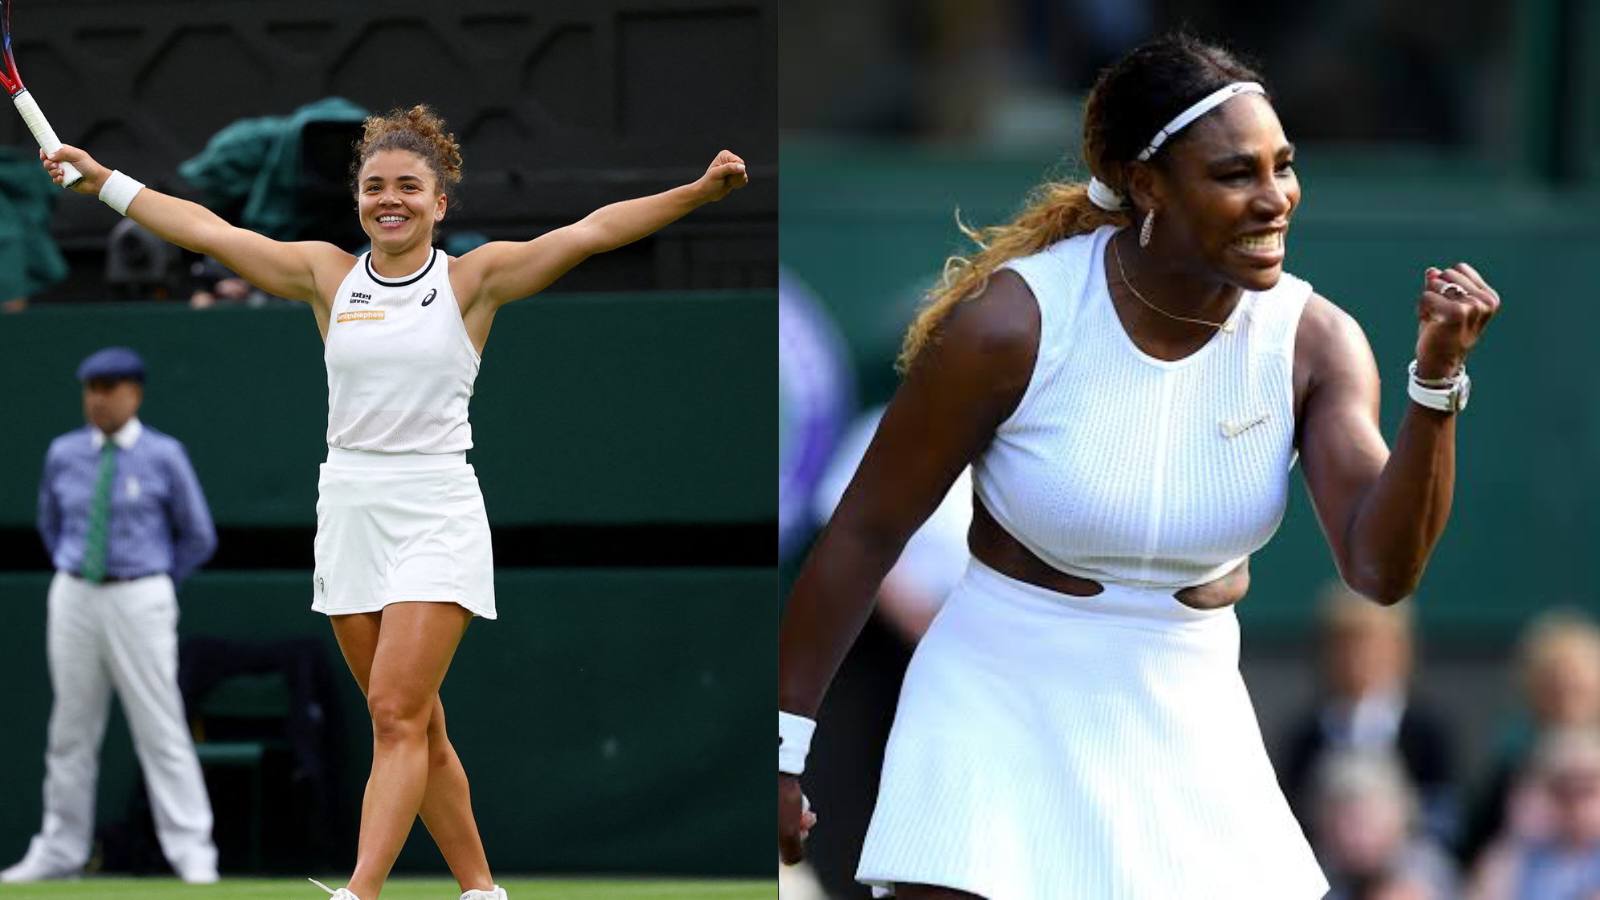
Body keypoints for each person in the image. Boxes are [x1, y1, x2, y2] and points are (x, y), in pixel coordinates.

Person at [777, 33, 1501, 900]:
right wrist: (785, 750)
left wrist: (1435, 385)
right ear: (1148, 185)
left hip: (1188, 709)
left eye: (1284, 166)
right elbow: (866, 531)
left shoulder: (1316, 341)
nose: (1276, 199)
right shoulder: (1013, 324)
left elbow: (1382, 569)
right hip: (996, 699)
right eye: (1237, 173)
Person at [40, 105, 747, 900]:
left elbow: (590, 231)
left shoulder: (474, 280)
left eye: (409, 186)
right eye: (375, 186)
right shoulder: (324, 275)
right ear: (358, 200)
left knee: (393, 710)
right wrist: (105, 184)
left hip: (437, 505)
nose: (391, 199)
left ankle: (361, 890)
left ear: (439, 203)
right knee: (417, 725)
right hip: (348, 506)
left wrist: (695, 194)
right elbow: (206, 232)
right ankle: (481, 890)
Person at [3, 347, 219, 885]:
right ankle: (59, 848)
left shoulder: (165, 455)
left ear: (134, 393)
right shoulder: (62, 453)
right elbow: (50, 523)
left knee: (161, 725)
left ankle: (193, 852)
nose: (98, 399)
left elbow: (197, 535)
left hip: (141, 594)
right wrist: (76, 569)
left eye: (109, 387)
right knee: (69, 728)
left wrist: (155, 582)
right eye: (91, 388)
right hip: (74, 592)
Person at [1280, 583, 1457, 845]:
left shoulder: (1426, 733)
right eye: (1344, 647)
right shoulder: (1304, 738)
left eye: (1372, 645)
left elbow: (1445, 818)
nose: (1357, 659)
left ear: (1401, 650)